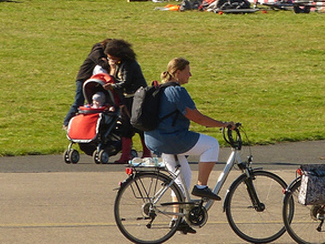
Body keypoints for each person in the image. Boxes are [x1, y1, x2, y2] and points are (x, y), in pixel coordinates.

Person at [144, 57, 237, 235]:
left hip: (155, 140)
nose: (190, 74)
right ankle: (201, 186)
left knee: (182, 177)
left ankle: (176, 219)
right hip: (171, 139)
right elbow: (198, 118)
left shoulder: (161, 89)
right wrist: (223, 124)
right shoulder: (177, 91)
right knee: (211, 144)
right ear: (177, 73)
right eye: (188, 71)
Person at [101, 39, 149, 163]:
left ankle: (145, 154)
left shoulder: (129, 64)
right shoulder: (120, 64)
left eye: (111, 56)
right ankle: (127, 155)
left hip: (136, 99)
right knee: (126, 127)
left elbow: (125, 82)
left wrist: (112, 86)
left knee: (138, 125)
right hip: (127, 99)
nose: (109, 58)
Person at [63, 39, 111, 129]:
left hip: (91, 80)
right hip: (84, 78)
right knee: (79, 101)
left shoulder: (99, 52)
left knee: (88, 102)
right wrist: (108, 64)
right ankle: (67, 122)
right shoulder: (97, 50)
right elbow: (101, 63)